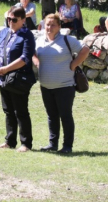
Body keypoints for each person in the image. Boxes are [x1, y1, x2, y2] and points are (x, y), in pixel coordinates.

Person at [33, 13, 89, 153]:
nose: (49, 27)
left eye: (53, 25)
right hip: (45, 86)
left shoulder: (67, 40)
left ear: (59, 26)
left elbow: (85, 50)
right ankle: (53, 144)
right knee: (51, 116)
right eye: (47, 24)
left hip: (65, 86)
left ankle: (67, 146)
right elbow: (32, 53)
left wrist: (74, 64)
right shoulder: (39, 41)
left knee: (65, 115)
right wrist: (37, 62)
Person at [0, 6, 36, 152]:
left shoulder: (27, 35)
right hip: (2, 77)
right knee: (8, 110)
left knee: (20, 111)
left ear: (23, 20)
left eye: (14, 20)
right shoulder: (4, 32)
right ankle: (10, 141)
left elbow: (25, 58)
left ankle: (26, 143)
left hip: (18, 79)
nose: (10, 22)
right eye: (8, 19)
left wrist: (5, 69)